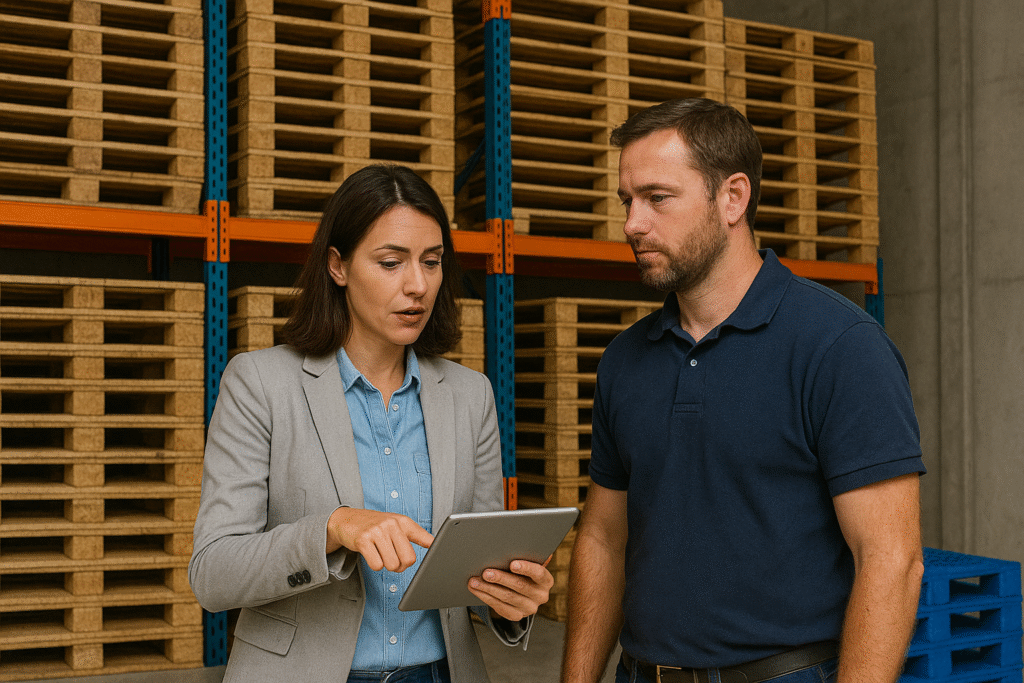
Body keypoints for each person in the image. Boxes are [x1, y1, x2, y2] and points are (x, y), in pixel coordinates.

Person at [560, 98, 925, 683]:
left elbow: (891, 562)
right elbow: (603, 538)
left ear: (733, 197)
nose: (632, 223)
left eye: (657, 197)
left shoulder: (839, 347)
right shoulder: (625, 361)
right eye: (627, 201)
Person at [189, 163, 553, 683]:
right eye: (390, 262)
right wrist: (333, 529)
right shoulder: (260, 384)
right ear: (337, 266)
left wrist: (509, 600)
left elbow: (476, 568)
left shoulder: (471, 396)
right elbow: (213, 574)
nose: (418, 285)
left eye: (432, 262)